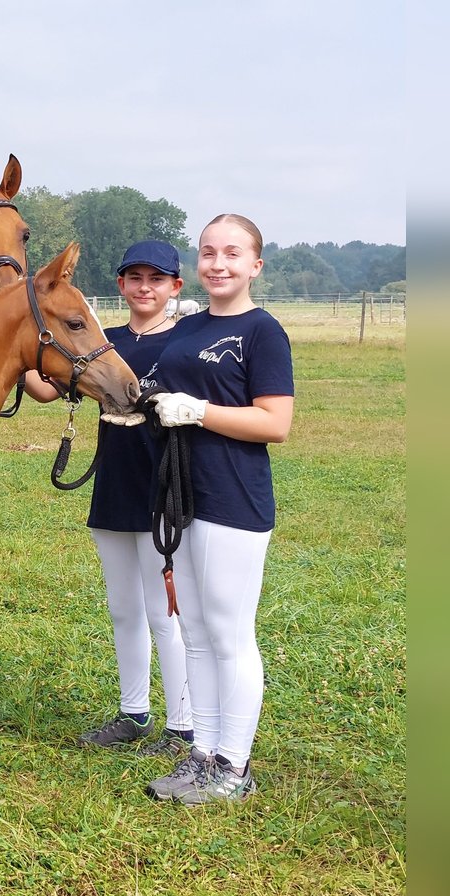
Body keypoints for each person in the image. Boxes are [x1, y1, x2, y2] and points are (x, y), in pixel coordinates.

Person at [140, 214, 294, 805]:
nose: (218, 263)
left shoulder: (262, 332)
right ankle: (203, 753)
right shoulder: (187, 327)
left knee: (230, 635)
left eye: (232, 253)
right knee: (196, 633)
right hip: (182, 498)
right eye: (208, 252)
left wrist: (198, 410)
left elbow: (274, 423)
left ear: (255, 264)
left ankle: (235, 765)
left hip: (234, 499)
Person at [24, 239, 193, 757]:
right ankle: (133, 711)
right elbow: (47, 388)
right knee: (124, 608)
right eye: (135, 278)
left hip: (161, 485)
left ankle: (183, 724)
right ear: (120, 284)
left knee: (163, 612)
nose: (145, 288)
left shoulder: (185, 342)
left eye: (156, 279)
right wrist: (13, 351)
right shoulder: (105, 340)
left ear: (174, 287)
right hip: (114, 484)